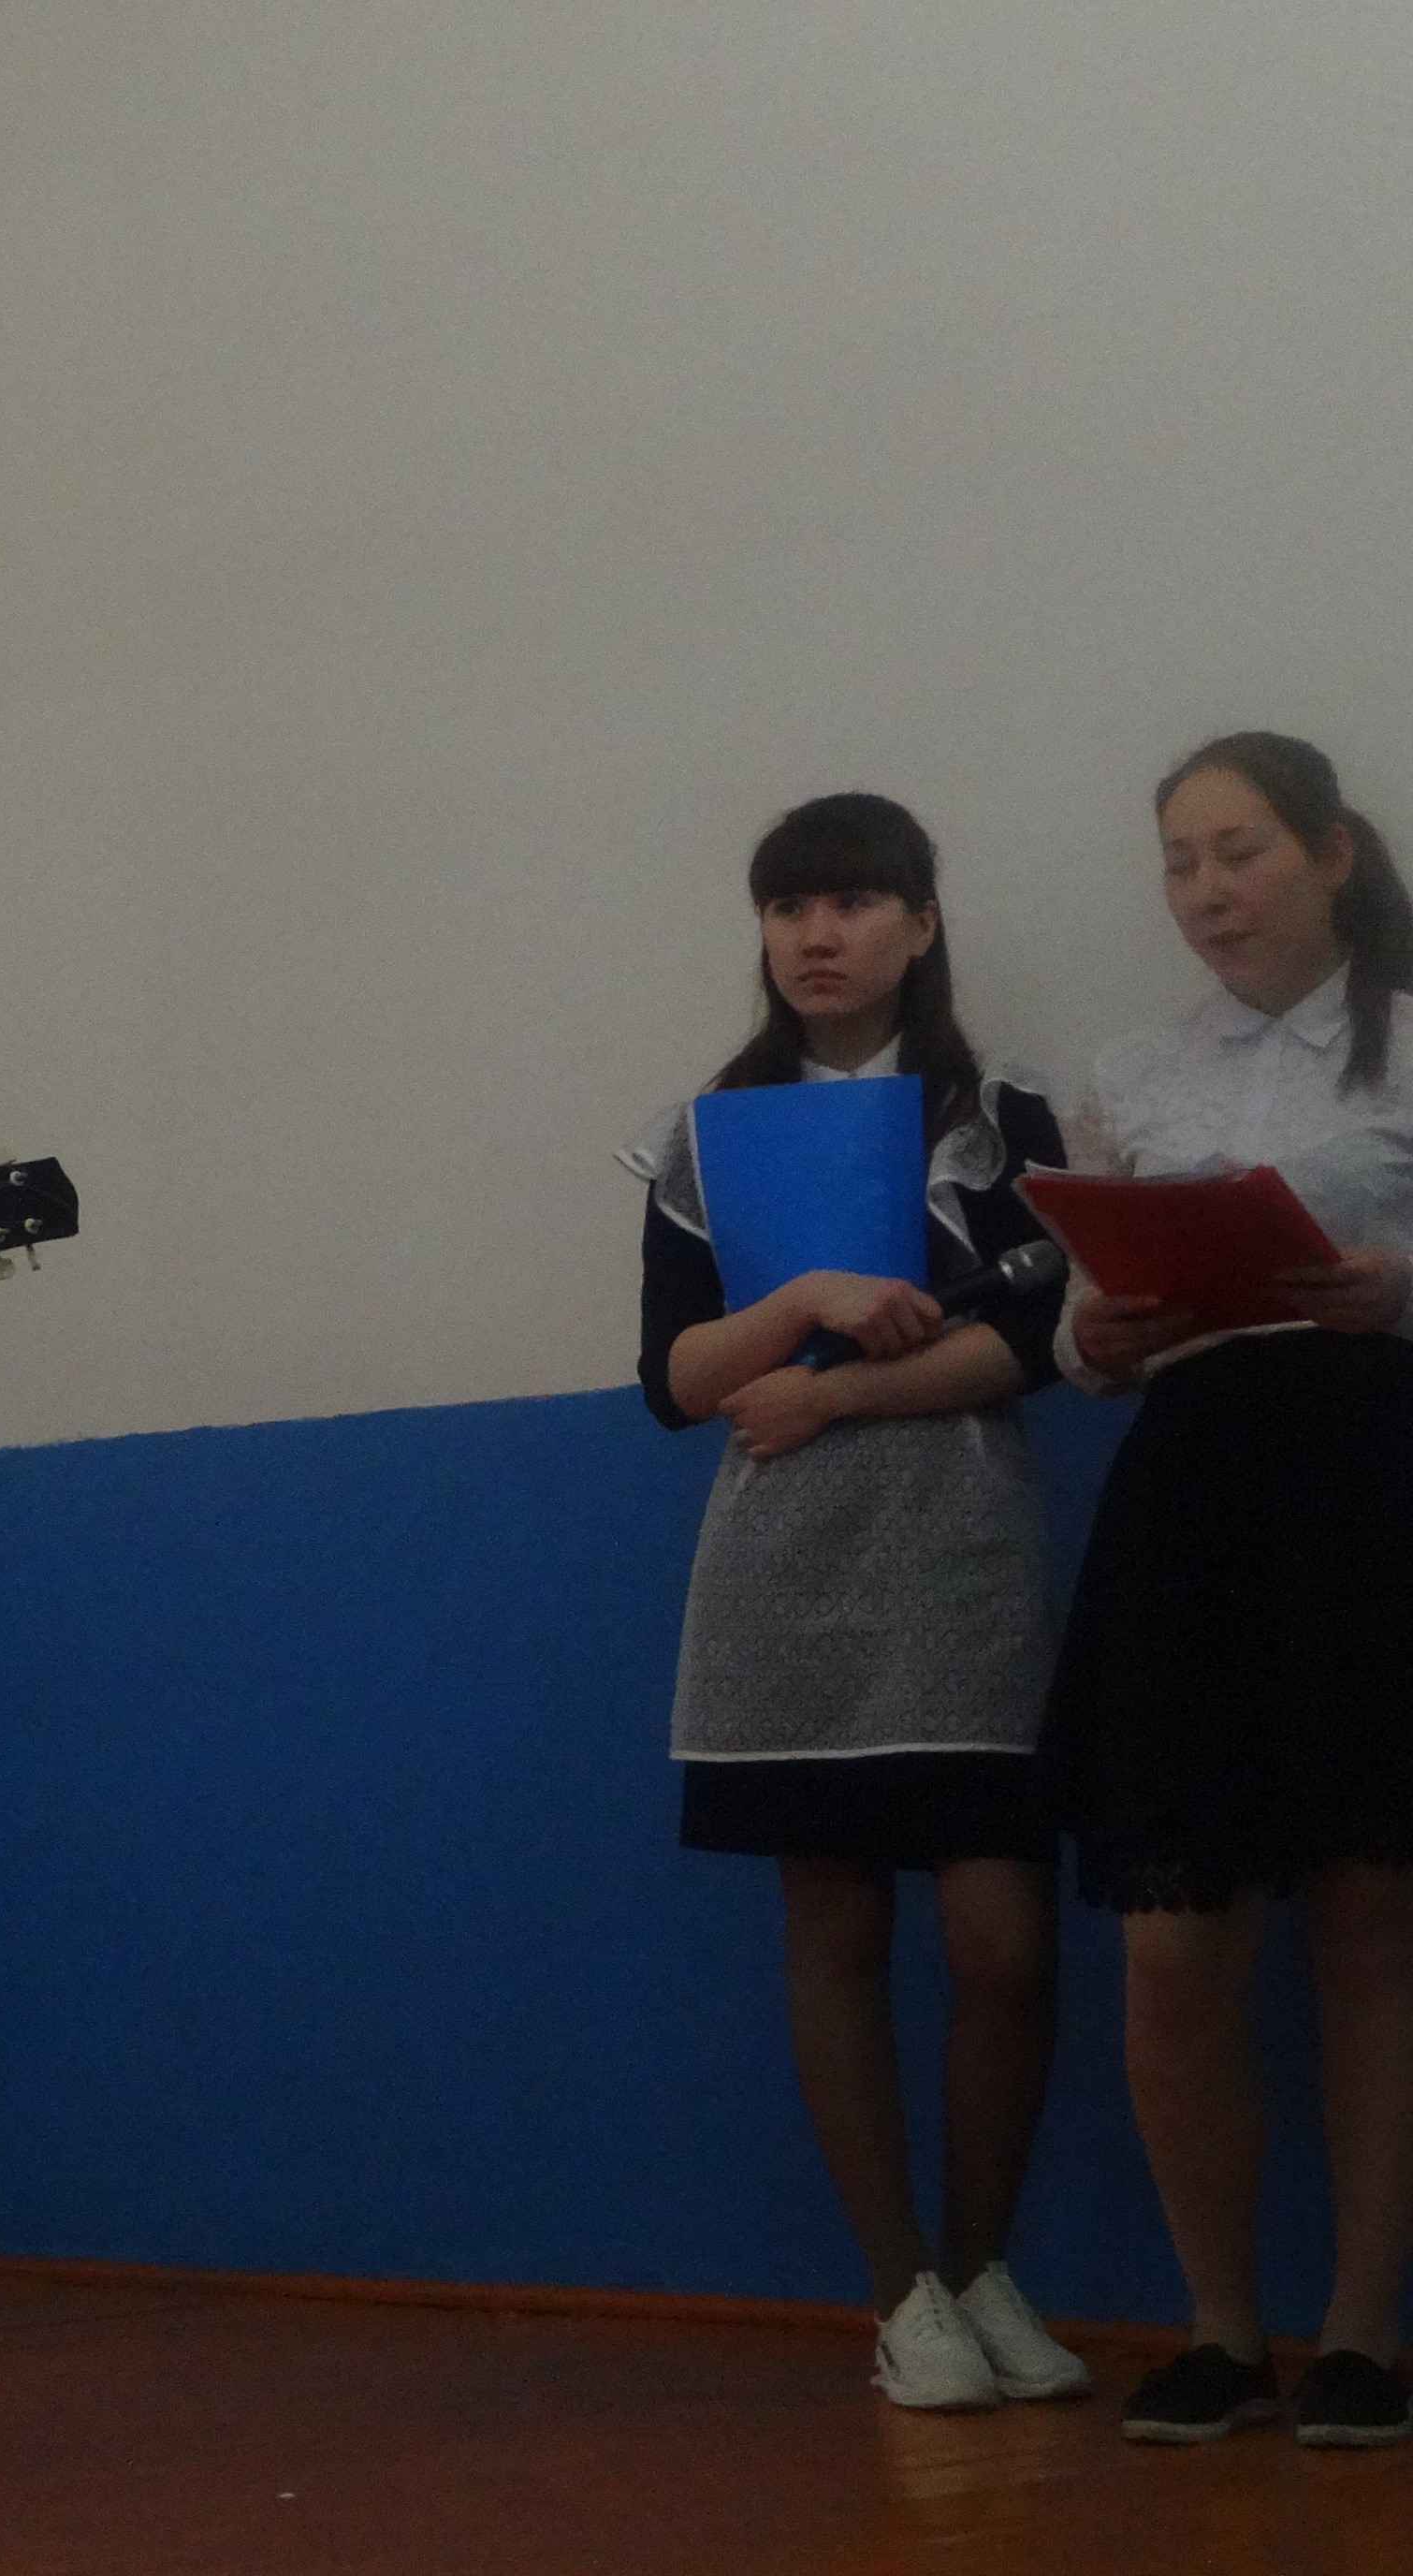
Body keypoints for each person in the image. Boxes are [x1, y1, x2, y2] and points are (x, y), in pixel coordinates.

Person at [620, 792, 1089, 2411]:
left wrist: (834, 1392)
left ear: (921, 922)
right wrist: (810, 1303)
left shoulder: (1002, 1117)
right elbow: (674, 1380)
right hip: (782, 1561)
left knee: (1001, 1932)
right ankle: (903, 2300)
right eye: (787, 908)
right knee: (830, 1921)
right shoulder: (709, 1135)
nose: (817, 936)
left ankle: (983, 2265)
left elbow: (1038, 1344)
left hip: (963, 1543)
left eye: (852, 903)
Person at [1045, 730, 1413, 2450]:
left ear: (1331, 852)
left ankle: (1361, 2338)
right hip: (1192, 1497)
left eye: (1241, 850)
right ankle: (1215, 2328)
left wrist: (1398, 1288)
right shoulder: (1129, 1072)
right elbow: (1080, 1331)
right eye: (1181, 861)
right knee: (1173, 1940)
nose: (1207, 889)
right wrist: (1095, 1336)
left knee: (1369, 1916)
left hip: (1372, 1478)